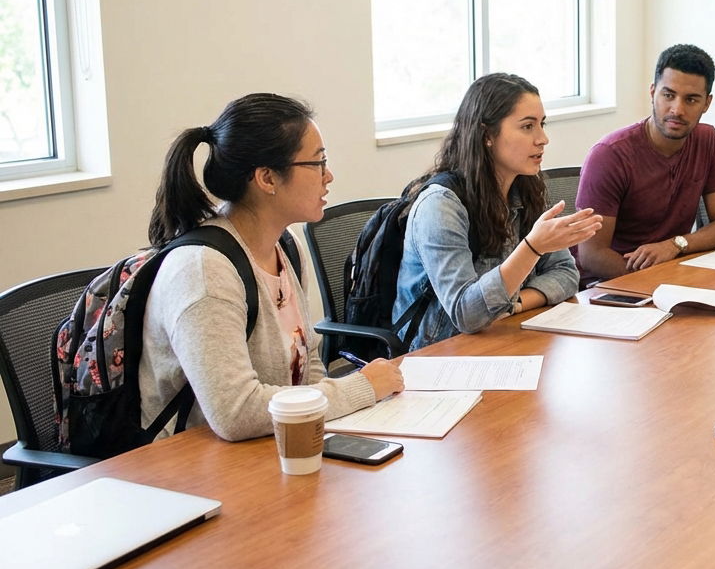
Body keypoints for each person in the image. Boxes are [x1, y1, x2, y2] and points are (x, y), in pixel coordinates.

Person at [140, 94, 404, 441]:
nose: (329, 176)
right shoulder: (203, 272)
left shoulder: (285, 245)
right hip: (189, 460)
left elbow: (308, 367)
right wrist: (361, 388)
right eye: (318, 163)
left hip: (268, 443)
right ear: (267, 178)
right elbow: (235, 413)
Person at [395, 73, 602, 349]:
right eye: (527, 126)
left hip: (504, 335)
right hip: (437, 351)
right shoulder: (441, 205)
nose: (543, 139)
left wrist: (514, 304)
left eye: (541, 124)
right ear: (487, 135)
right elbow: (466, 315)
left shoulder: (525, 187)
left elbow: (566, 274)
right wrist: (532, 248)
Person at [574, 44, 715, 281]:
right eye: (668, 95)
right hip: (609, 283)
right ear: (652, 92)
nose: (677, 109)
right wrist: (656, 283)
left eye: (691, 100)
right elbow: (592, 256)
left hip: (670, 274)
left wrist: (675, 244)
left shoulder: (708, 140)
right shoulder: (609, 155)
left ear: (707, 103)